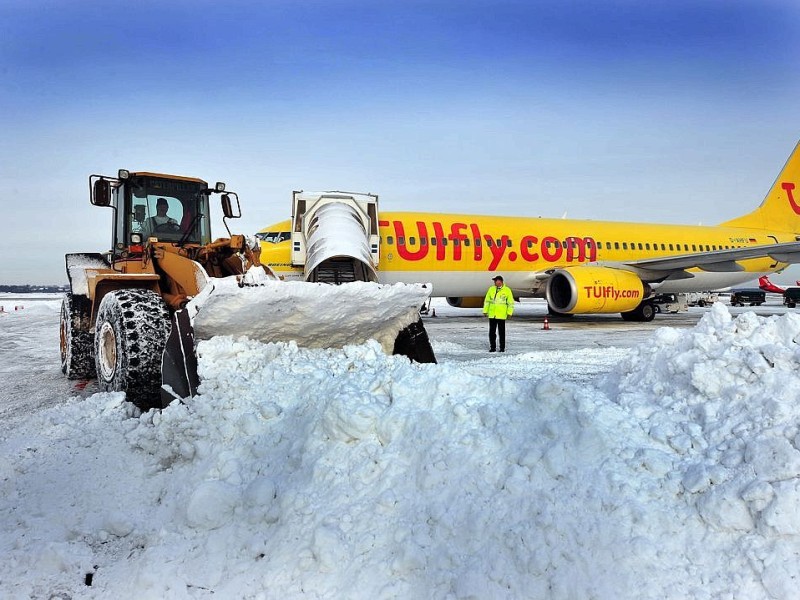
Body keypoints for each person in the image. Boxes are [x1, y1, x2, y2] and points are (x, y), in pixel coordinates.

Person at [483, 275, 514, 352]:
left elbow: (510, 303)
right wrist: (485, 311)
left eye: (496, 281)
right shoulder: (491, 289)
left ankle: (502, 348)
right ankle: (492, 347)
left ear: (500, 281)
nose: (495, 282)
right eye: (494, 281)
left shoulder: (507, 290)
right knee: (492, 332)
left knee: (501, 333)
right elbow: (487, 301)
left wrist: (509, 312)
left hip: (501, 315)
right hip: (492, 314)